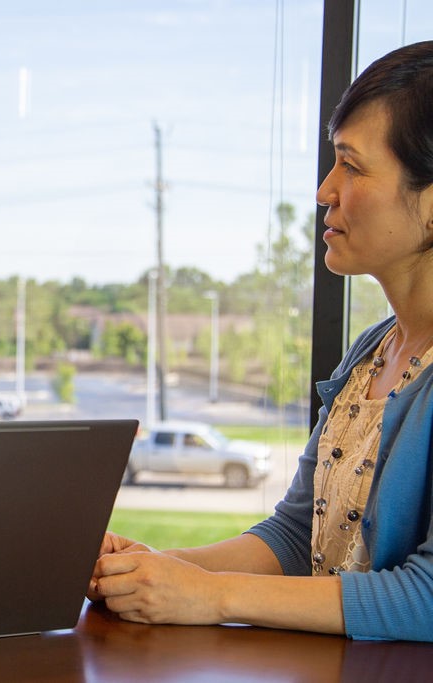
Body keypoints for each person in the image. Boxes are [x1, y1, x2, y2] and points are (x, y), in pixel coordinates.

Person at [91, 40, 433, 642]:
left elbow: (426, 597)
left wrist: (212, 595)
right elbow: (296, 538)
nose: (325, 190)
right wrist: (158, 569)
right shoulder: (370, 353)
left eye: (351, 166)